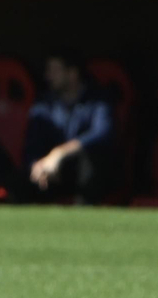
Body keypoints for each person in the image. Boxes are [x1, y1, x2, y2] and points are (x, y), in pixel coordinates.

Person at [24, 51, 115, 203]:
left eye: (55, 70)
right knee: (21, 180)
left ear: (72, 74)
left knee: (91, 161)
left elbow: (102, 133)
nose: (48, 76)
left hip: (87, 176)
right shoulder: (44, 103)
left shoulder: (97, 99)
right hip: (53, 174)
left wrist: (60, 153)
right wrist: (37, 165)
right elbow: (32, 143)